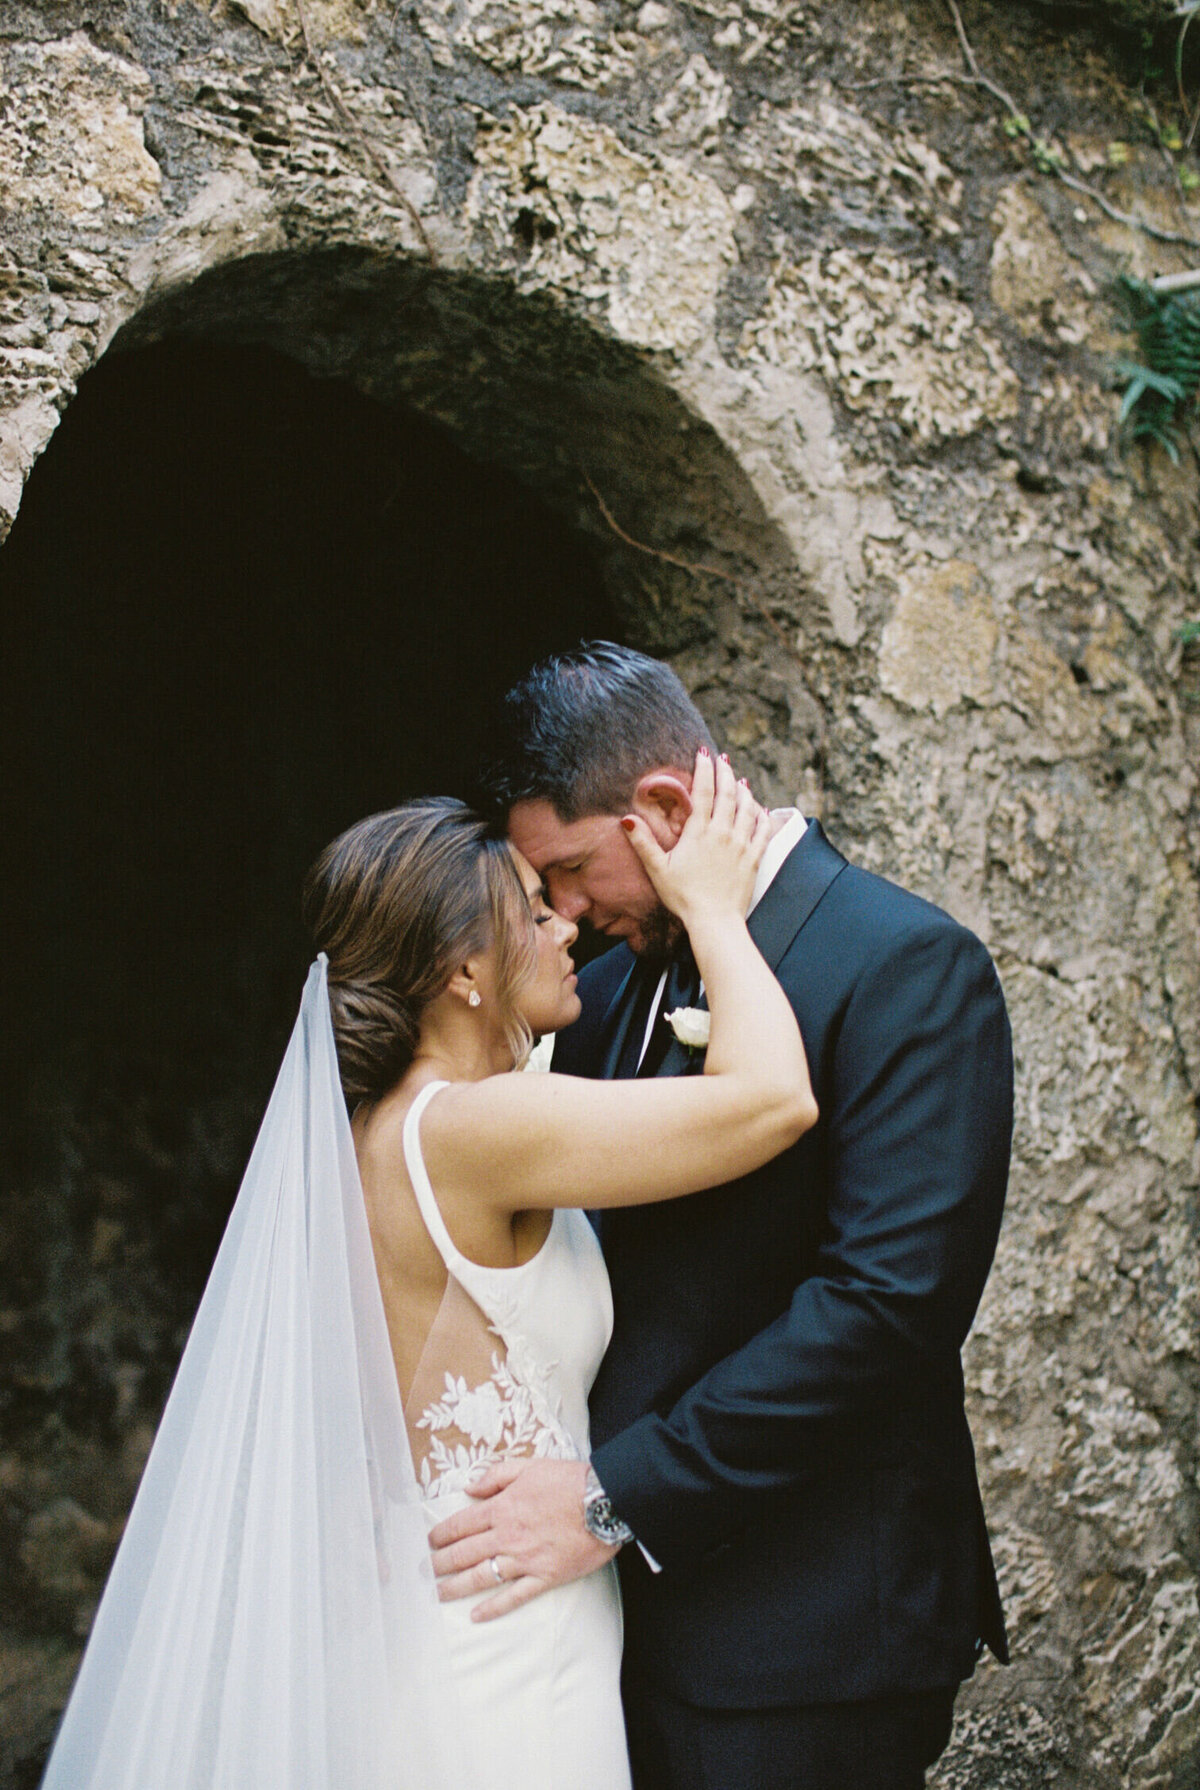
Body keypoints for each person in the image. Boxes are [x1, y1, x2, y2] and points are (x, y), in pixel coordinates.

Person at [38, 749, 814, 1790]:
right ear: (463, 970)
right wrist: (714, 908)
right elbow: (773, 1098)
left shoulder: (376, 1130)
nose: (566, 927)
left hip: (430, 1608)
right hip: (506, 1635)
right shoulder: (479, 1130)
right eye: (536, 913)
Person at [430, 641, 1013, 1790]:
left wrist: (613, 1498)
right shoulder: (596, 990)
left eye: (571, 869)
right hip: (606, 1620)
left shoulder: (908, 967)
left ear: (660, 804)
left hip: (808, 1636)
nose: (561, 910)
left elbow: (882, 1311)